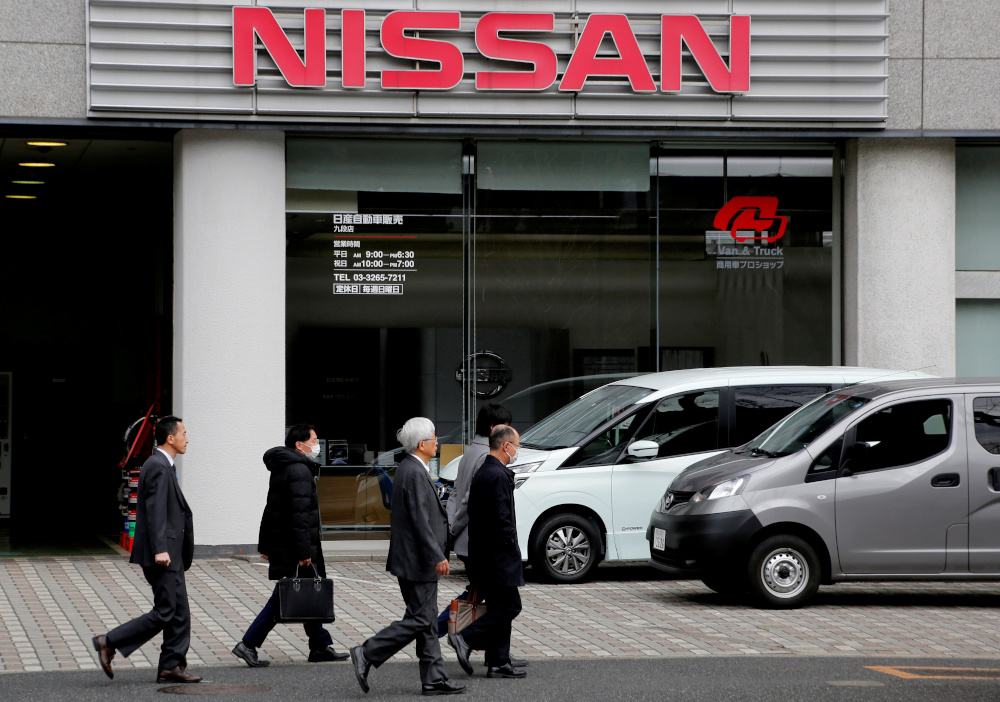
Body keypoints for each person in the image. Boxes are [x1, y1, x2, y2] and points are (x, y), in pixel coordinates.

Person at [350, 418, 465, 696]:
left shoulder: (413, 468)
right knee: (420, 620)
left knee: (424, 620)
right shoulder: (413, 472)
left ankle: (434, 679)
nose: (438, 442)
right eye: (435, 437)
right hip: (418, 561)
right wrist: (437, 555)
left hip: (414, 559)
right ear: (422, 443)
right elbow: (419, 521)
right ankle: (367, 652)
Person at [92, 416, 200, 684]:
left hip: (169, 551)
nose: (188, 438)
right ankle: (109, 641)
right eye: (184, 433)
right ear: (170, 438)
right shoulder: (159, 466)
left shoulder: (164, 464)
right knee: (166, 611)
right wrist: (160, 548)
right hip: (163, 554)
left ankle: (171, 666)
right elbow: (154, 511)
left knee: (179, 612)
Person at [231, 424, 349, 668]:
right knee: (285, 597)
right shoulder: (299, 470)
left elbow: (271, 507)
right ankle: (248, 644)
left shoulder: (285, 467)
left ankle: (319, 645)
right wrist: (304, 553)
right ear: (299, 444)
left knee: (308, 590)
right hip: (297, 546)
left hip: (287, 542)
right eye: (314, 440)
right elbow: (299, 515)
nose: (317, 445)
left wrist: (266, 543)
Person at [448, 425, 526, 679]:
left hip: (484, 554)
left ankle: (498, 661)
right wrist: (512, 546)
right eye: (517, 444)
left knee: (498, 605)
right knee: (510, 606)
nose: (518, 450)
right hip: (497, 556)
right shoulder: (496, 475)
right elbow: (502, 519)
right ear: (506, 446)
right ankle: (465, 638)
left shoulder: (486, 472)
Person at [437, 403, 512, 637]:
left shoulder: (470, 451)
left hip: (466, 539)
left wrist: (452, 527)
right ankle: (440, 633)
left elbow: (456, 493)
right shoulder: (485, 456)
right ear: (492, 427)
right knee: (490, 597)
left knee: (479, 594)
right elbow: (470, 499)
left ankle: (487, 651)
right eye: (505, 427)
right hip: (476, 539)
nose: (509, 433)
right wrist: (455, 527)